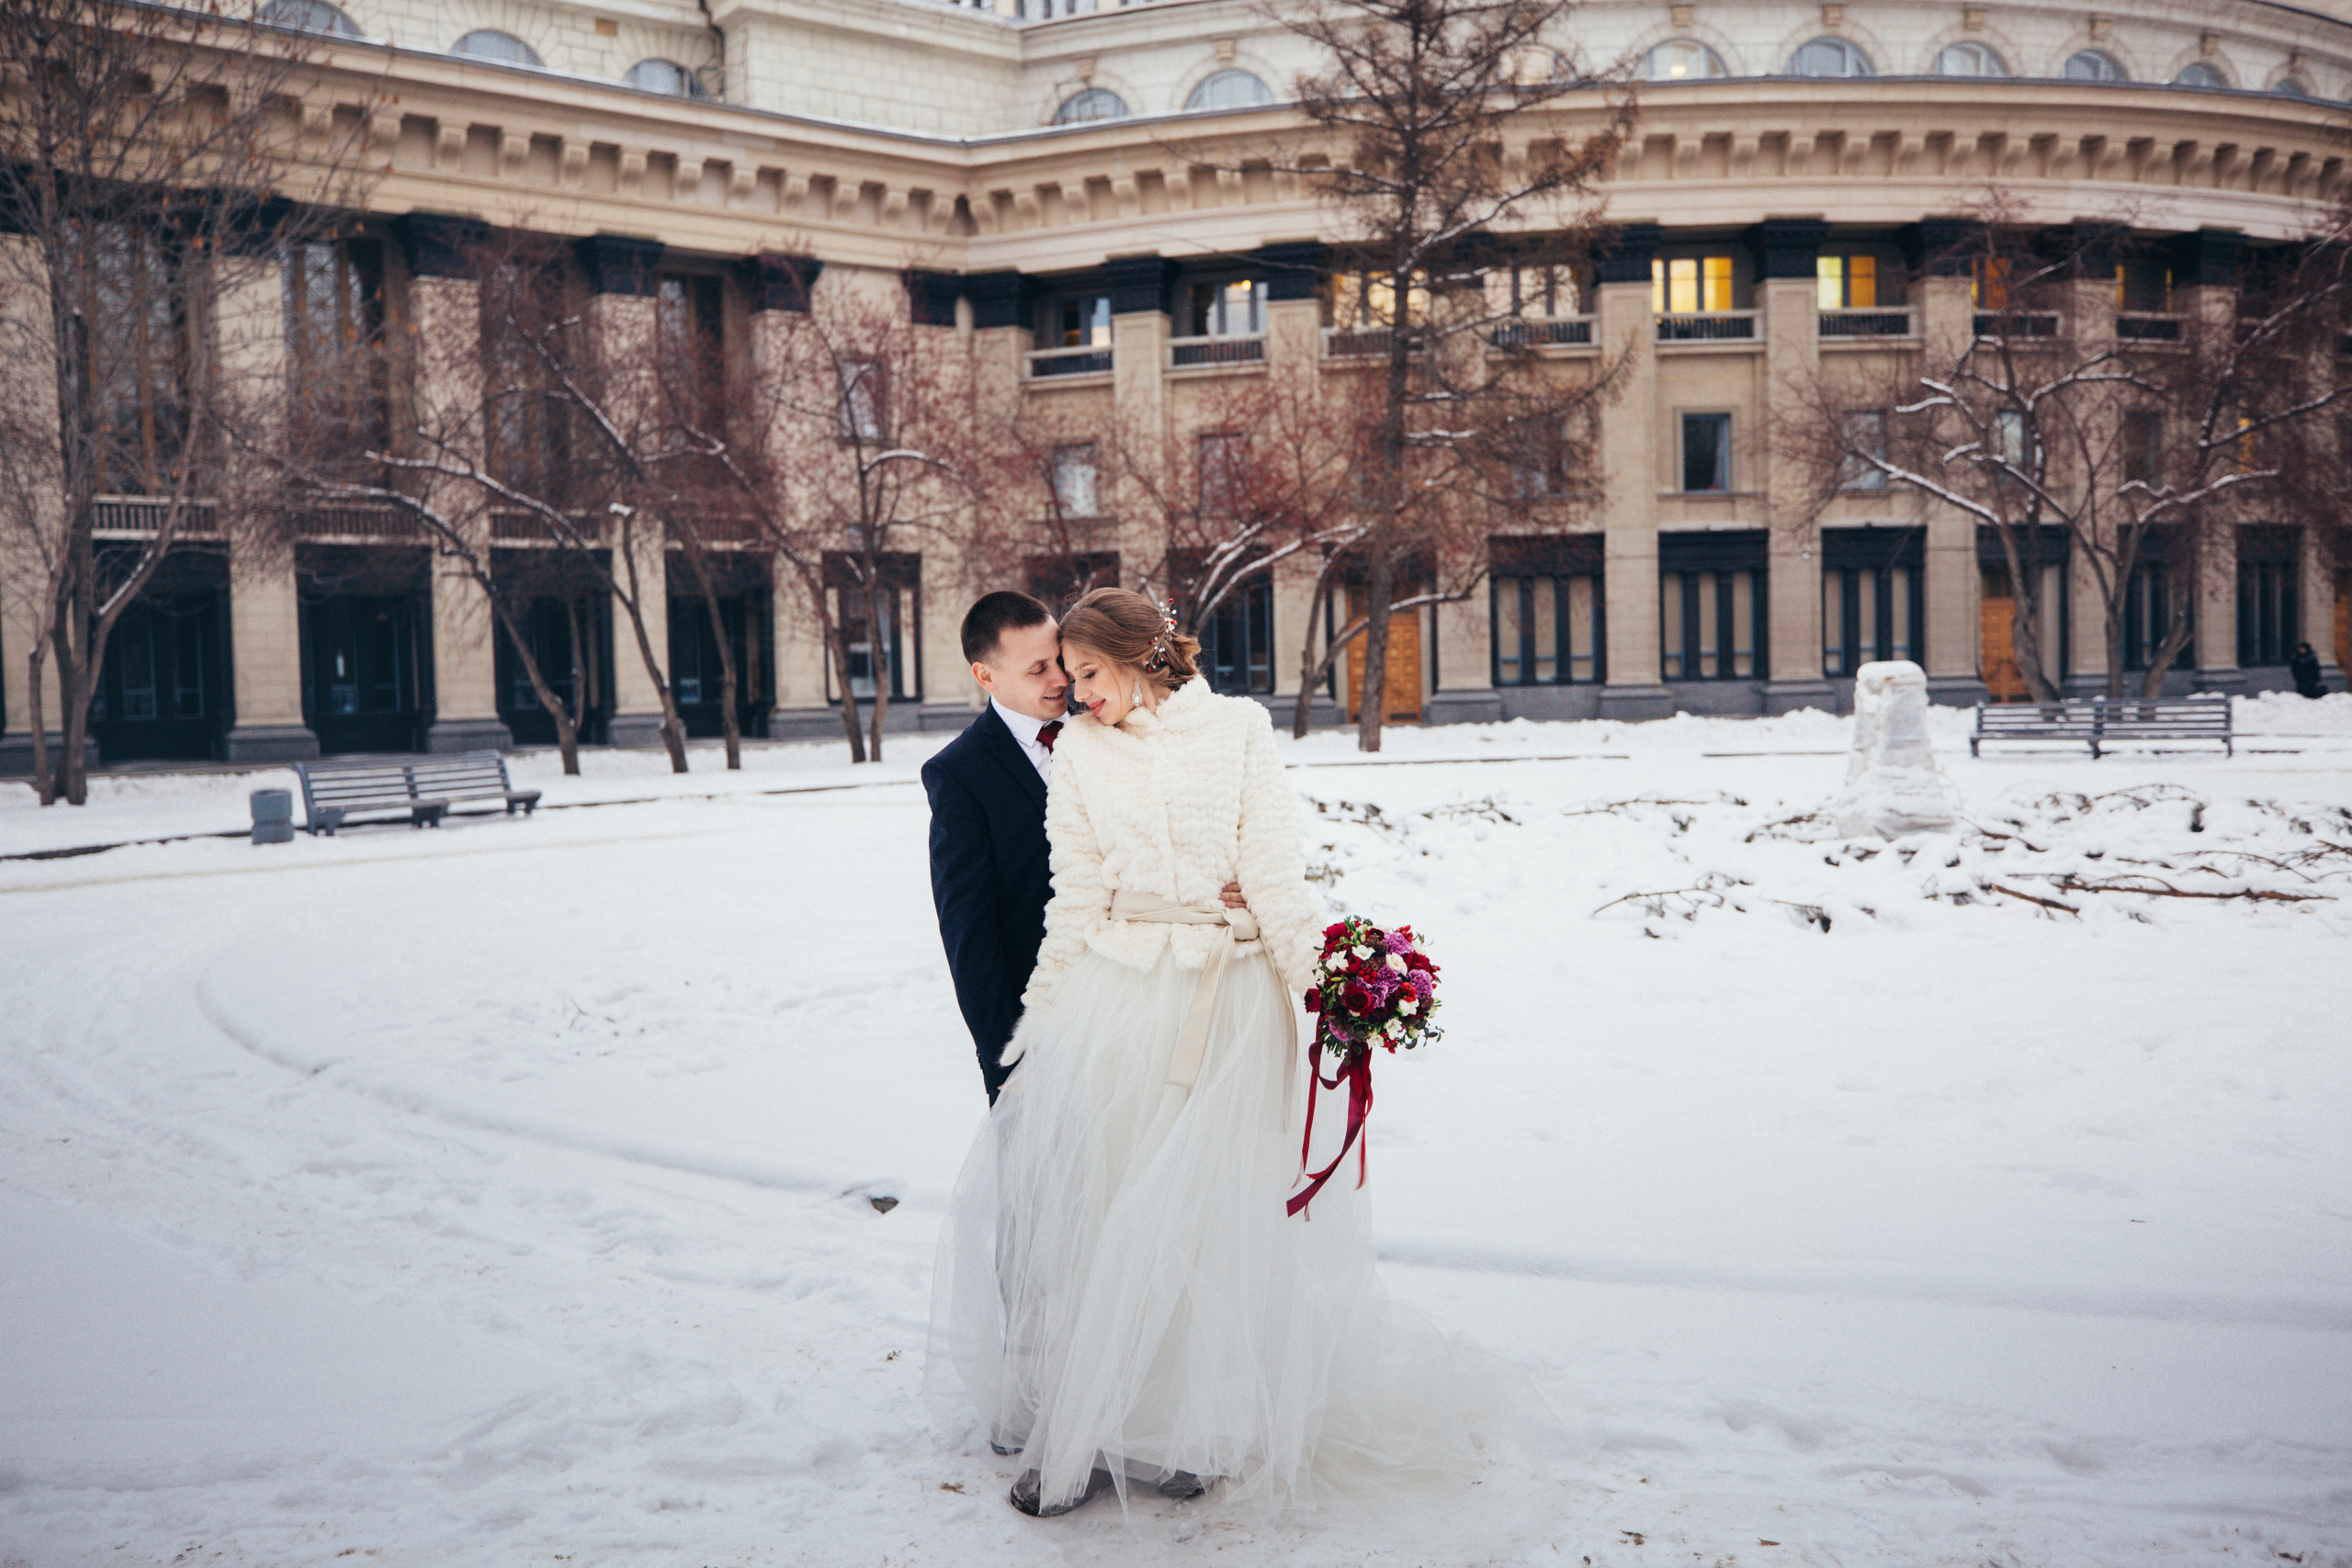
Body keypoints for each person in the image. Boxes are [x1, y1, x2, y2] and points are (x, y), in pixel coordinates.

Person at [927, 588, 1502, 1519]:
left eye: (1084, 673)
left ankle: (1184, 1428)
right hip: (1118, 1004)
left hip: (1229, 1007)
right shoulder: (1077, 754)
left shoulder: (1237, 734)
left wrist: (1329, 993)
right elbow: (1073, 897)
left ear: (1135, 657)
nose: (1074, 694)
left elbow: (1275, 876)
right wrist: (1037, 1028)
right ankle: (1078, 1434)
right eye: (1061, 677)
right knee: (1108, 1221)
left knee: (1201, 1227)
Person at [923, 592, 1248, 1103]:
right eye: (1038, 670)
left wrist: (1225, 887)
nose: (1062, 681)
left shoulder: (1111, 717)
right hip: (1046, 1020)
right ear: (986, 677)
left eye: (1062, 661)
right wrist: (1005, 1055)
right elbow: (969, 932)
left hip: (1138, 1001)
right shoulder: (960, 774)